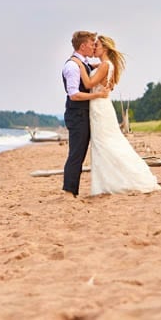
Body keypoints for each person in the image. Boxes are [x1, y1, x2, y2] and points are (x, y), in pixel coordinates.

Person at [74, 35, 160, 195]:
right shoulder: (105, 65)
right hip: (99, 106)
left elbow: (88, 84)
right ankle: (108, 182)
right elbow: (103, 78)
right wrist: (84, 63)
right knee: (104, 143)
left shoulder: (105, 65)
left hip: (99, 107)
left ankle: (119, 181)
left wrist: (78, 64)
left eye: (97, 45)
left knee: (105, 143)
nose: (94, 48)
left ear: (105, 48)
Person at [62, 31, 109, 197]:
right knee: (76, 153)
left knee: (80, 152)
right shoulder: (72, 66)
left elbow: (90, 70)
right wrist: (97, 95)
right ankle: (69, 191)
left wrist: (103, 66)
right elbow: (74, 95)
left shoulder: (84, 63)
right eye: (91, 43)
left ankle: (72, 190)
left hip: (84, 114)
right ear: (83, 46)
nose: (93, 46)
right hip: (77, 115)